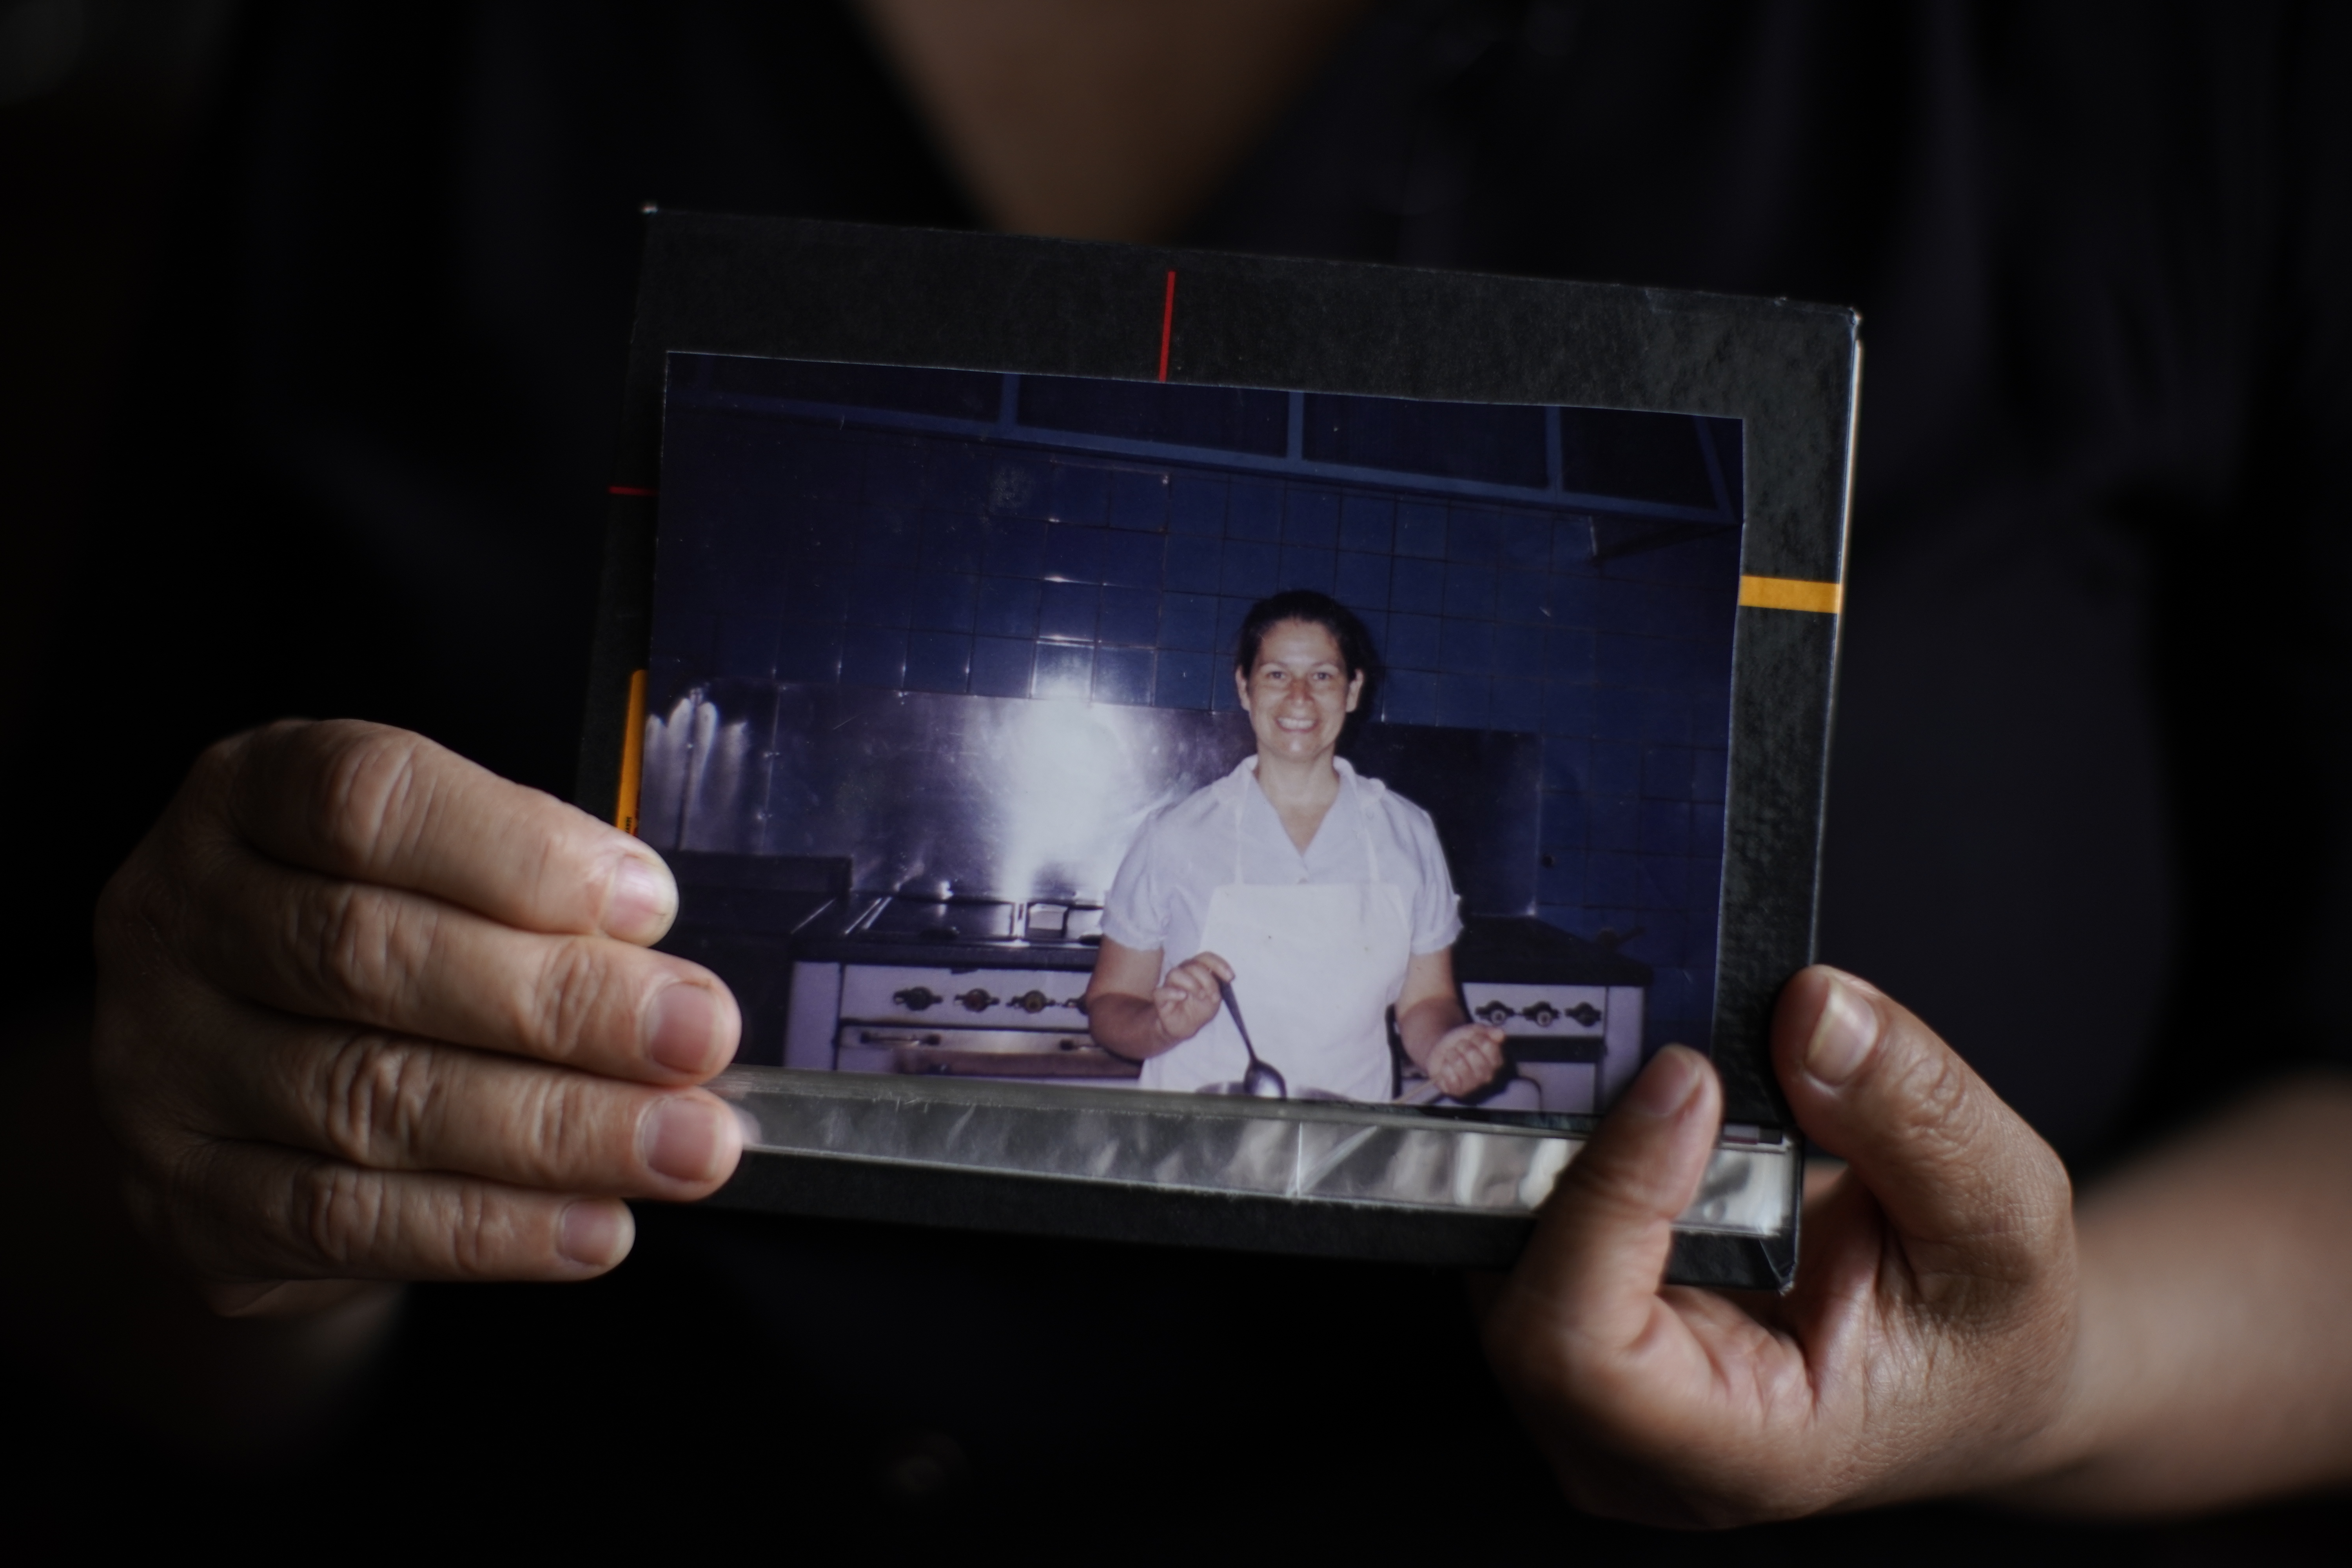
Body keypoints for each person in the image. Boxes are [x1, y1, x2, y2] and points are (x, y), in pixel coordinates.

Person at [9, 2, 2352, 1552]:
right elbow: (81, 1153)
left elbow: (1439, 1012)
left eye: (1334, 677)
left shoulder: (2137, 84)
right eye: (1277, 679)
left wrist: (2038, 1371)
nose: (1306, 708)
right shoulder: (410, 73)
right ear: (1238, 698)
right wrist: (242, 1196)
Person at [1085, 591, 1507, 1103]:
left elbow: (1427, 1002)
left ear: (1353, 691)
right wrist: (1163, 1025)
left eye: (1324, 676)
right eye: (1277, 675)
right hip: (1198, 1138)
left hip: (1347, 1137)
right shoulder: (1176, 834)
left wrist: (1445, 1046)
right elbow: (1110, 1006)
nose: (1301, 698)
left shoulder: (1407, 832)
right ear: (1245, 687)